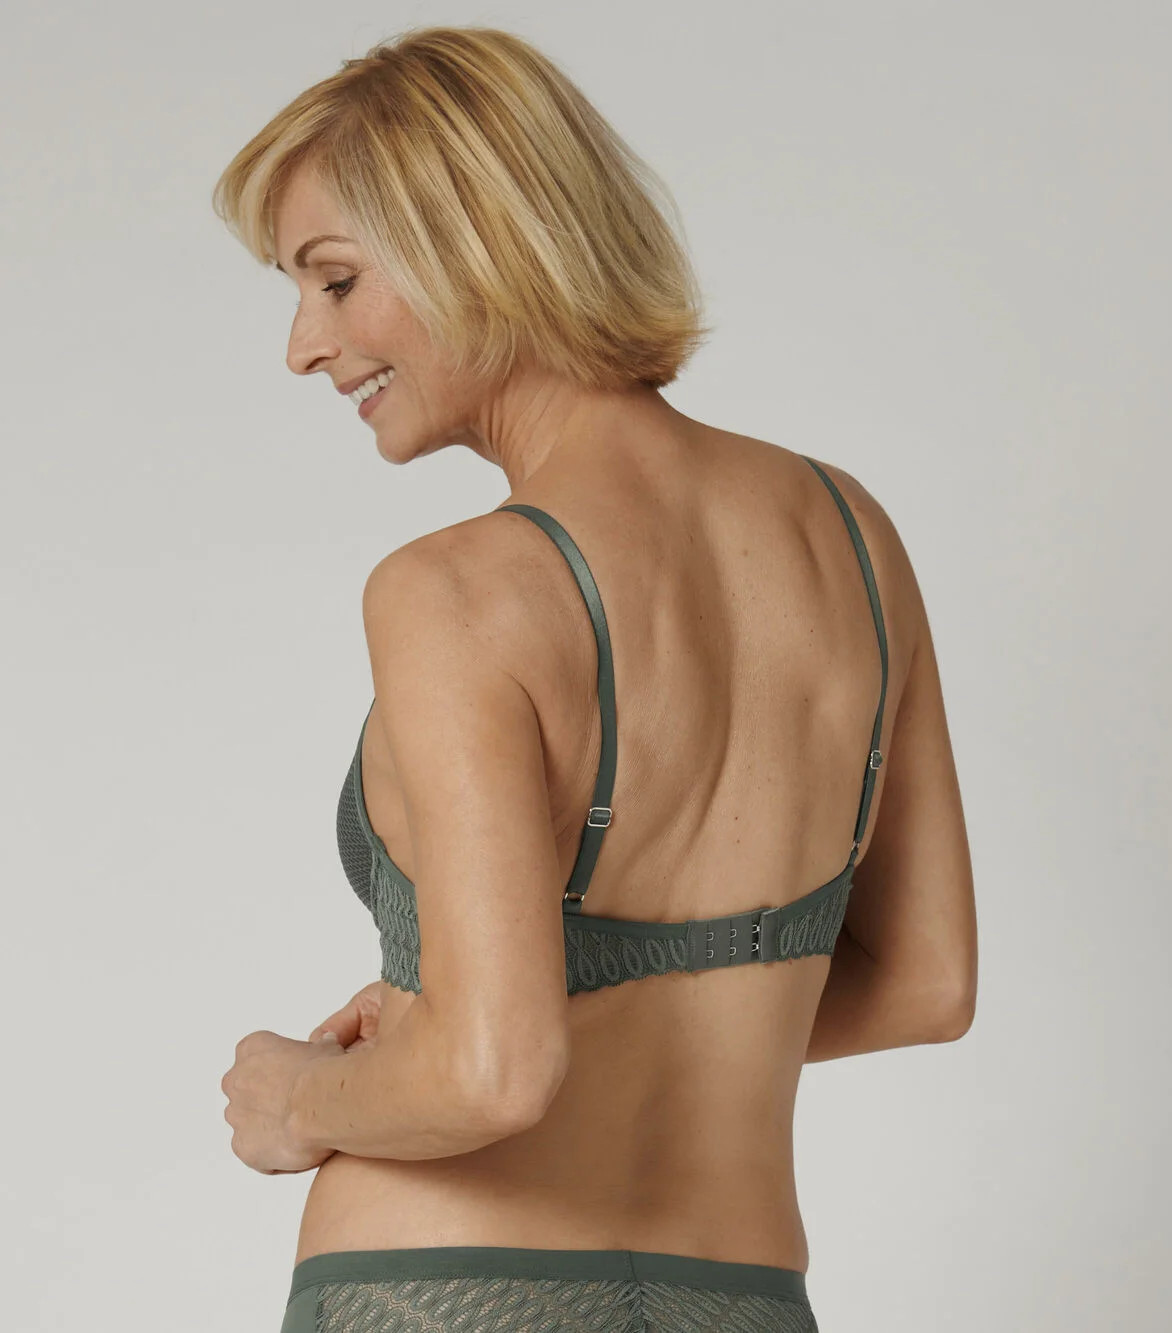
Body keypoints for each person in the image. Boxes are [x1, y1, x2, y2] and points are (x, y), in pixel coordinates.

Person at [214, 24, 976, 1333]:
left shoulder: (455, 591)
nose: (302, 345)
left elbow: (494, 1071)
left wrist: (302, 1097)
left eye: (334, 281)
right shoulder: (850, 534)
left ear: (478, 241)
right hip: (741, 1287)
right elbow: (924, 983)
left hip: (444, 1289)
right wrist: (681, 1034)